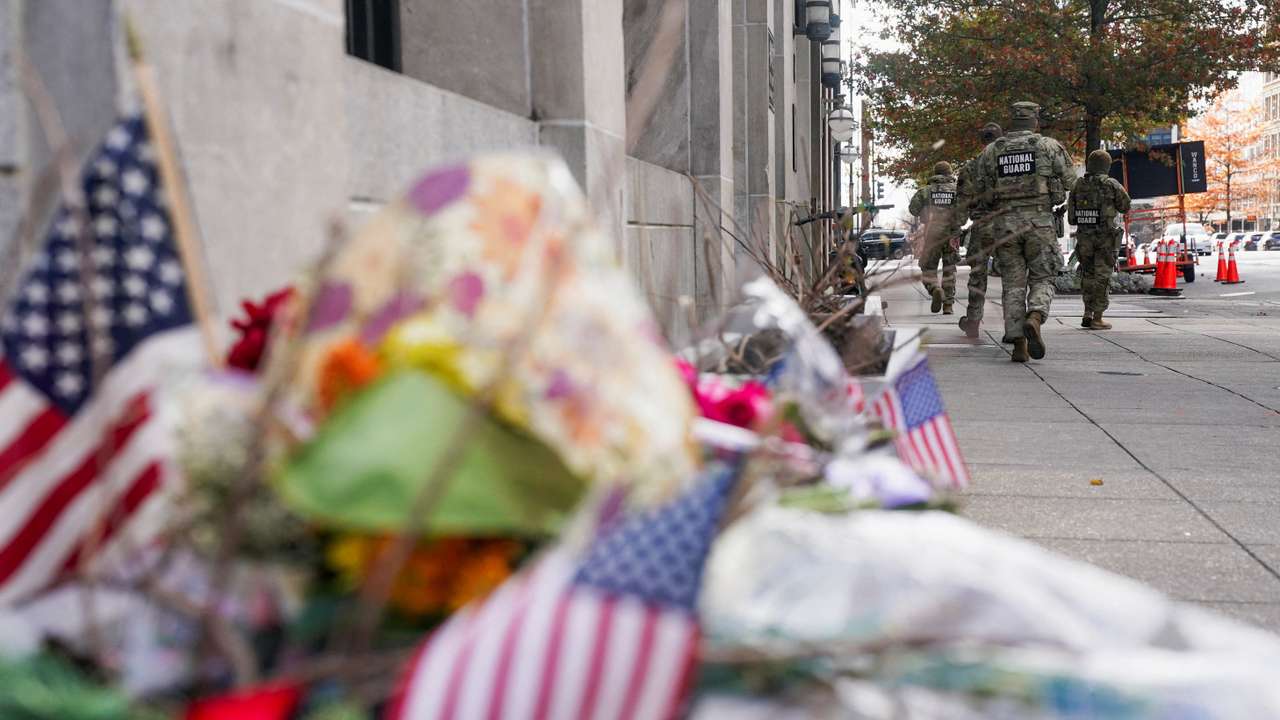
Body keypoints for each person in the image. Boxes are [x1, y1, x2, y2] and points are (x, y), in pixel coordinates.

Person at [973, 102, 1077, 362]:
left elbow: (981, 193)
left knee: (1013, 285)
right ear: (1035, 120)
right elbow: (1072, 182)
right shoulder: (1048, 146)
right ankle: (1036, 316)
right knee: (1044, 276)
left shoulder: (991, 151)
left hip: (1005, 225)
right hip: (1039, 222)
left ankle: (1018, 344)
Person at [1070, 149, 1131, 329]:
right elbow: (1125, 206)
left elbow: (1072, 218)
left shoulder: (1078, 185)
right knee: (1102, 276)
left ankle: (1087, 313)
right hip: (1105, 238)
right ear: (1106, 166)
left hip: (1084, 239)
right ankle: (1097, 318)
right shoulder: (1111, 184)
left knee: (1087, 275)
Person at [956, 122, 1004, 339]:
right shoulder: (1010, 162)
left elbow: (962, 204)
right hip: (1008, 224)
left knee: (977, 276)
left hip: (982, 226)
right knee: (1014, 275)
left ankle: (974, 320)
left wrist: (955, 231)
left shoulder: (970, 167)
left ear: (981, 140)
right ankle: (1015, 323)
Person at [908, 161, 963, 315]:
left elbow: (913, 209)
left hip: (932, 233)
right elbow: (965, 211)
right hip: (952, 234)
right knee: (950, 269)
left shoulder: (926, 191)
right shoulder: (957, 191)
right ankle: (948, 305)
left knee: (928, 267)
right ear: (950, 173)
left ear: (935, 173)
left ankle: (935, 289)